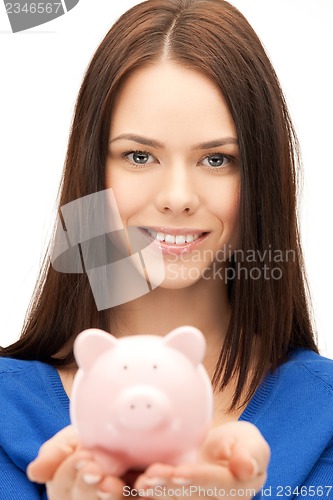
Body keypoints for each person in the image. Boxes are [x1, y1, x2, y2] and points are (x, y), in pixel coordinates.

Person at [0, 0, 332, 498]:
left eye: (217, 159)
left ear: (263, 181)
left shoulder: (322, 414)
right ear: (91, 173)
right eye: (139, 155)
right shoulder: (8, 406)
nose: (177, 197)